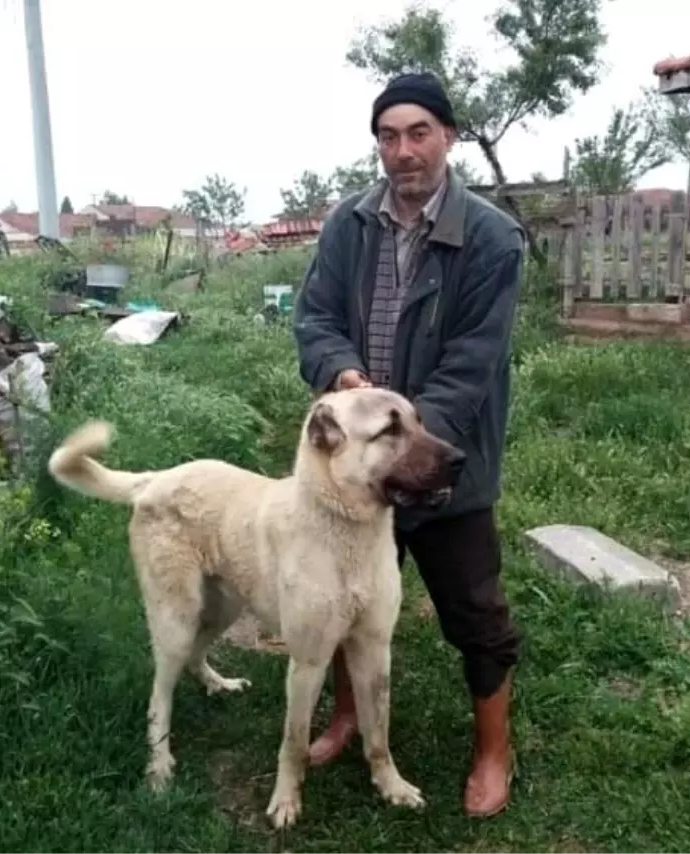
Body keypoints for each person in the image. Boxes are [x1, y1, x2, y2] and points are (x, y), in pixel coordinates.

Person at [291, 71, 524, 818]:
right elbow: (315, 318)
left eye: (419, 132)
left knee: (475, 613)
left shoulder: (490, 236)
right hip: (357, 474)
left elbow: (472, 362)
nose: (403, 151)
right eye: (388, 136)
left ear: (449, 137)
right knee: (337, 604)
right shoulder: (348, 225)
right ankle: (347, 717)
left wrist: (409, 436)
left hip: (445, 458)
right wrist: (340, 372)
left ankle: (493, 750)